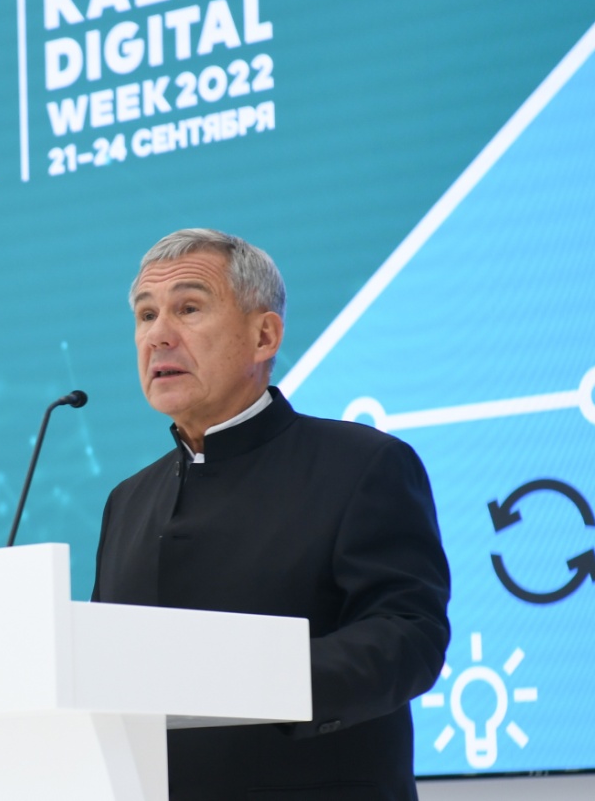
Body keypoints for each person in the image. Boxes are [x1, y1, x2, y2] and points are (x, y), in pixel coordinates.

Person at [92, 228, 451, 800]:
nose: (158, 336)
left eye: (188, 308)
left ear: (264, 336)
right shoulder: (127, 501)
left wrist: (261, 678)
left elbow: (409, 637)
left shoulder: (362, 464)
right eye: (146, 315)